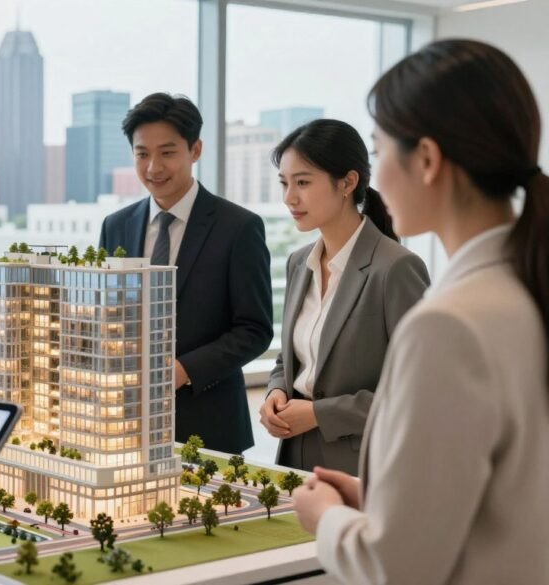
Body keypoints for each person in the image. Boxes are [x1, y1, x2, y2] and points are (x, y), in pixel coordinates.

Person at [293, 39, 549, 584]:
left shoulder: (449, 325)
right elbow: (506, 492)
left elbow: (397, 567)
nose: (377, 175)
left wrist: (326, 518)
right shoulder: (524, 288)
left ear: (427, 160)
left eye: (381, 149)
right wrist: (378, 497)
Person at [99, 93, 273, 454]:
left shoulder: (238, 227)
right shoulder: (115, 226)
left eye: (167, 152)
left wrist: (181, 370)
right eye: (142, 154)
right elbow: (108, 315)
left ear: (195, 150)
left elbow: (254, 329)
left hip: (208, 423)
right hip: (125, 421)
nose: (153, 167)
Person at [260, 119, 429, 475]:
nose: (289, 198)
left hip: (363, 463)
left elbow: (418, 391)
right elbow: (290, 358)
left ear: (348, 183)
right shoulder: (298, 263)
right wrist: (276, 391)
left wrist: (319, 414)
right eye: (284, 183)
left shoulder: (396, 268)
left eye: (303, 182)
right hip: (294, 455)